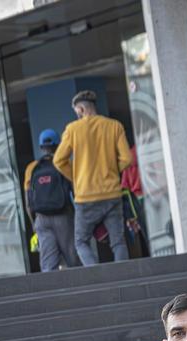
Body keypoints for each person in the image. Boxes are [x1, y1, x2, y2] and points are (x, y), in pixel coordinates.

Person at [53, 89, 131, 266]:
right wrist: (111, 171)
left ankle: (97, 276)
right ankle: (124, 277)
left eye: (76, 112)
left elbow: (58, 160)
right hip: (112, 194)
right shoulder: (114, 126)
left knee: (81, 242)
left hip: (86, 197)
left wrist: (76, 177)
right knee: (118, 241)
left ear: (80, 109)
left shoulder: (73, 129)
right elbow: (127, 159)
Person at [24, 129, 79, 272]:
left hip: (42, 219)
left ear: (41, 147)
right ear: (58, 145)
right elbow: (75, 192)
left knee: (48, 264)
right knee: (73, 259)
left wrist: (34, 224)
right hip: (64, 217)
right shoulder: (65, 164)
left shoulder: (32, 168)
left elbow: (28, 202)